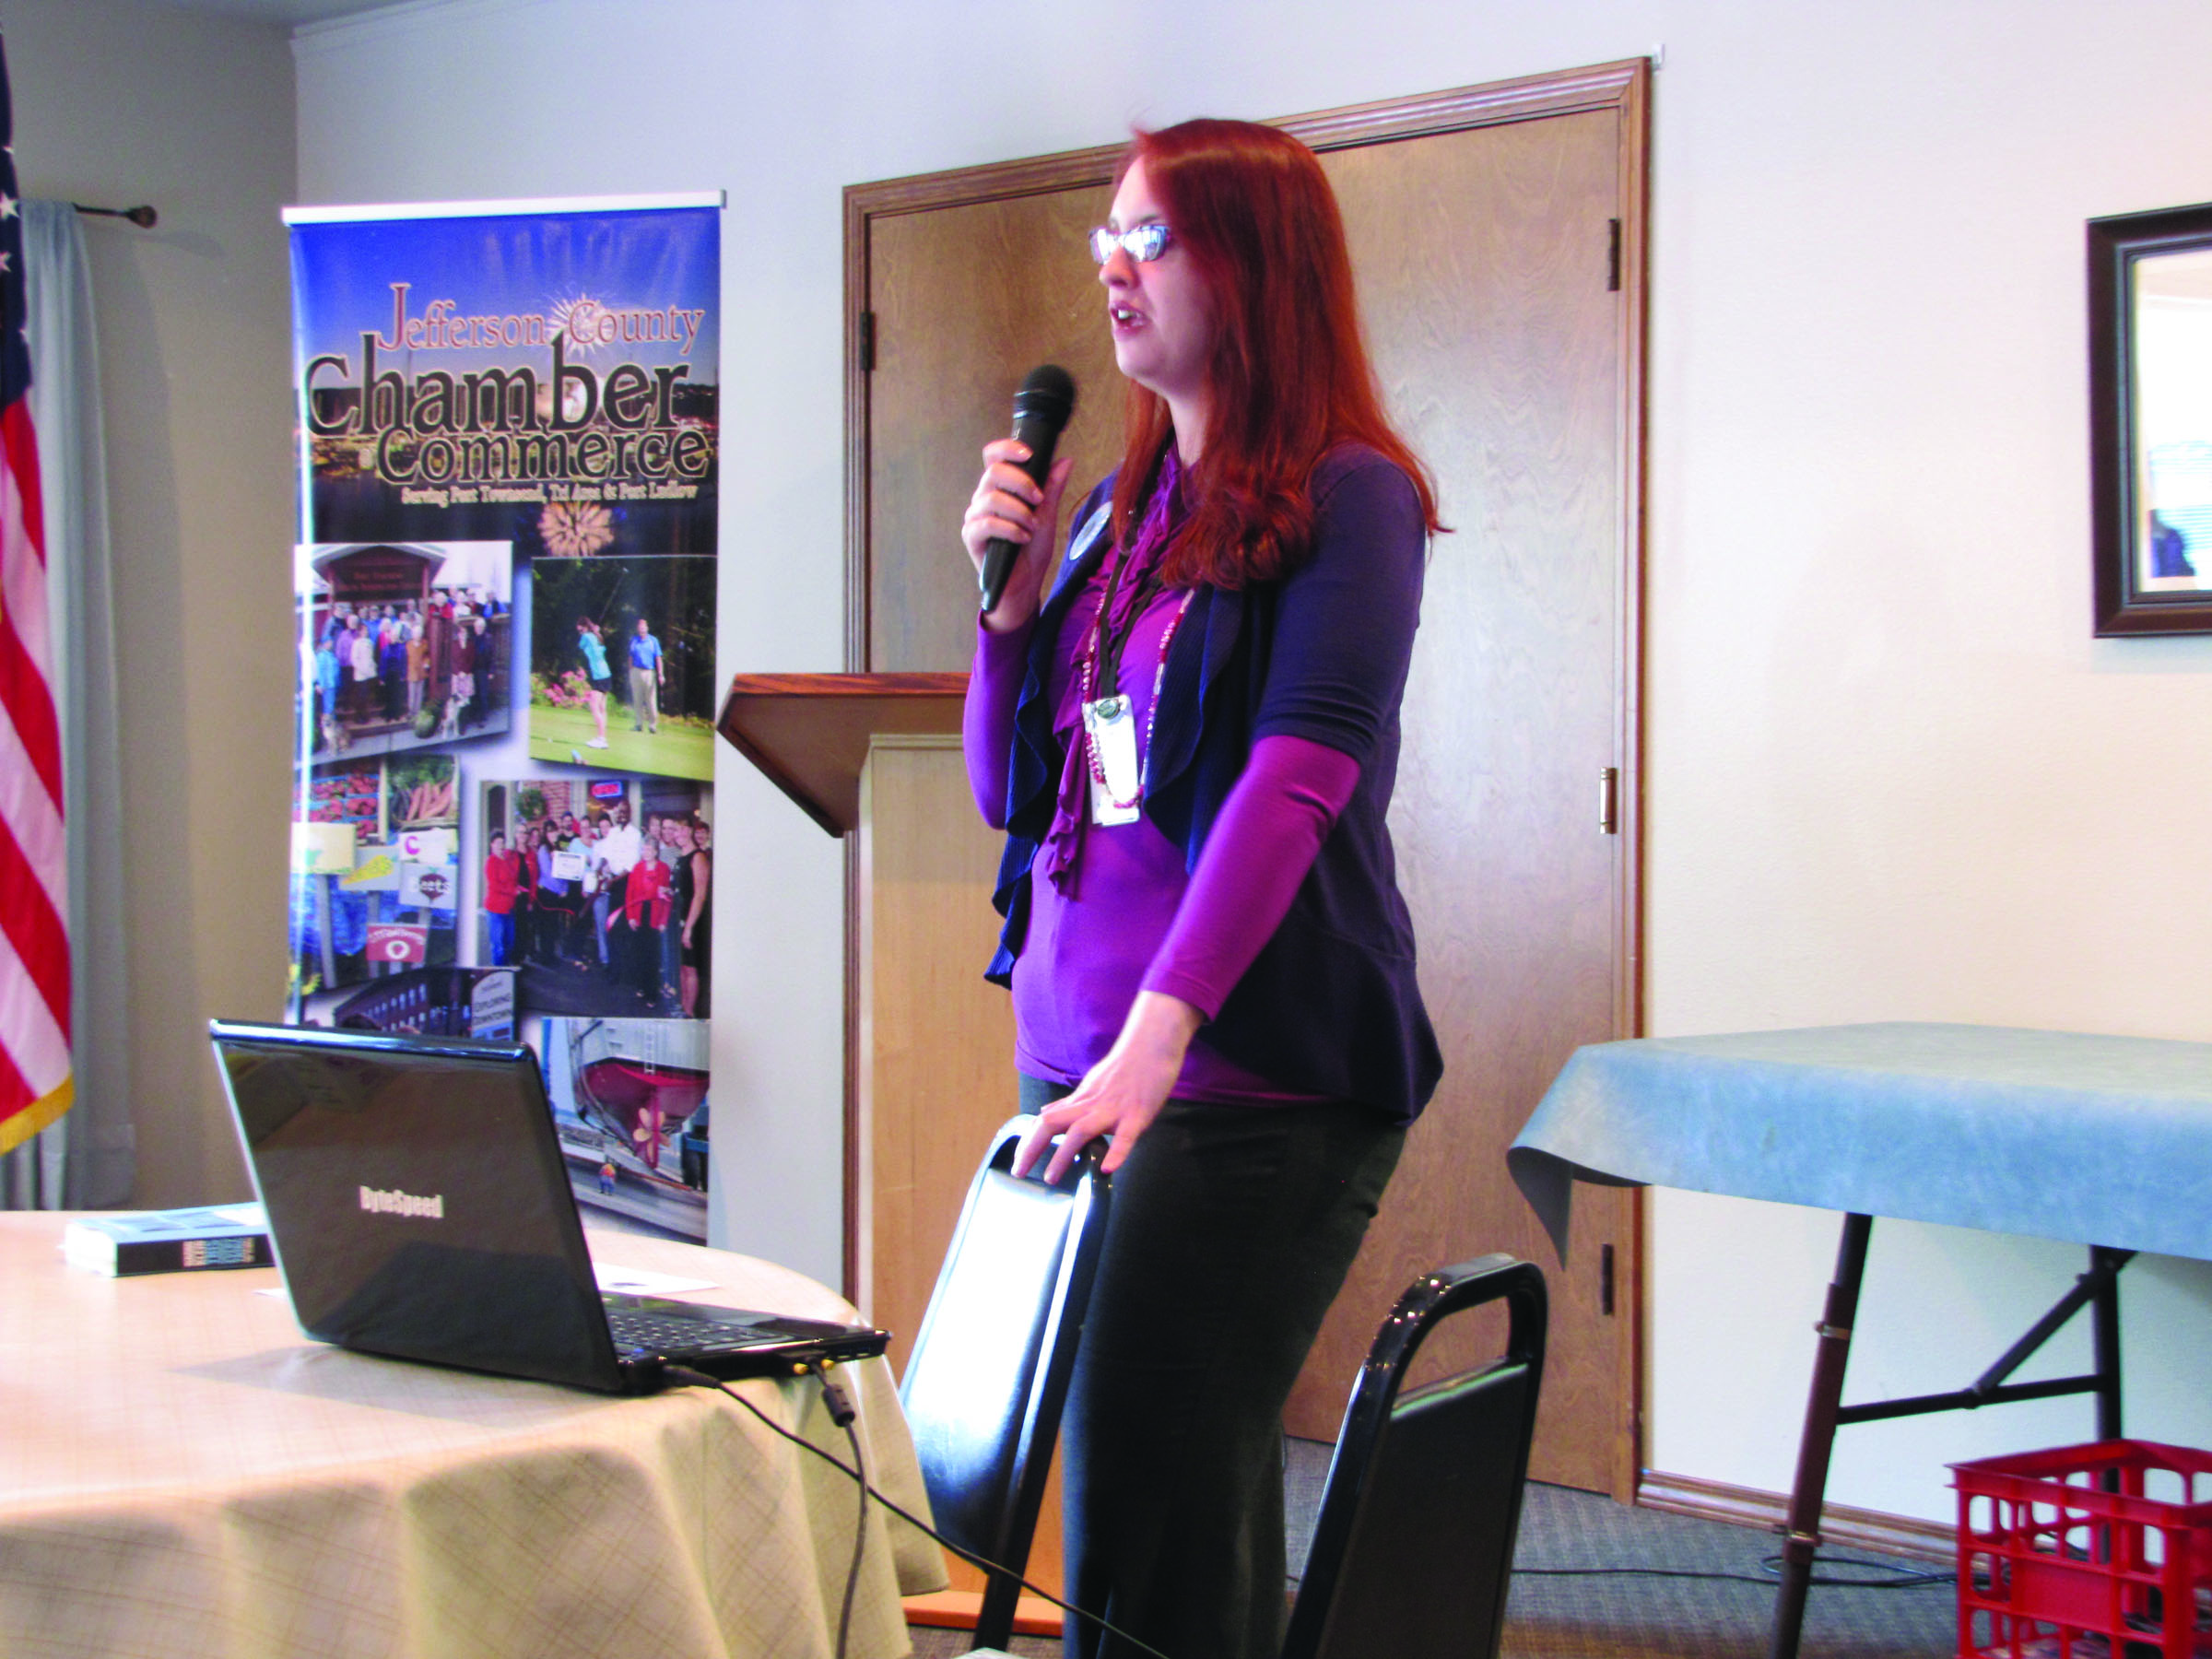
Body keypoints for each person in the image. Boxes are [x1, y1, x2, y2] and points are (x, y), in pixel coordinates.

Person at [958, 118, 1443, 1659]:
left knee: (1146, 1489)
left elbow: (1299, 775)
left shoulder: (1351, 493)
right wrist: (1009, 618)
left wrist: (1158, 1039)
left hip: (1246, 1077)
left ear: (1257, 264)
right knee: (1148, 1488)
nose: (1113, 263)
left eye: (1151, 237)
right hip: (1081, 1059)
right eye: (1108, 235)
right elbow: (1005, 793)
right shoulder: (1116, 507)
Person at [678, 814, 712, 1018]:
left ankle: (690, 1012)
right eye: (676, 830)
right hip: (681, 919)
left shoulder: (698, 857)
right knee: (683, 967)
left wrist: (689, 928)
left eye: (683, 829)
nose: (679, 834)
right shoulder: (681, 857)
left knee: (691, 969)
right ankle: (683, 1007)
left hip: (693, 921)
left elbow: (700, 895)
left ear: (690, 831)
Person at [481, 830, 522, 966]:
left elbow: (512, 880)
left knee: (510, 942)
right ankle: (497, 975)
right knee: (498, 947)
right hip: (496, 910)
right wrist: (512, 891)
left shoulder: (507, 860)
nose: (501, 845)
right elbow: (494, 885)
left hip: (509, 909)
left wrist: (519, 888)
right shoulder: (491, 862)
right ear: (492, 844)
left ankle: (506, 972)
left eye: (502, 842)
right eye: (498, 843)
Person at [576, 617, 613, 747]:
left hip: (599, 675)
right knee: (602, 708)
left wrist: (588, 633)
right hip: (606, 674)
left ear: (584, 627)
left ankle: (601, 739)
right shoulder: (598, 637)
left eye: (580, 629)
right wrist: (595, 631)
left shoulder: (587, 636)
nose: (579, 631)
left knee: (594, 707)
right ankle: (603, 738)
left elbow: (580, 646)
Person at [626, 616, 664, 734]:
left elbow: (658, 658)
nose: (642, 629)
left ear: (647, 628)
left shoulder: (653, 641)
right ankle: (638, 724)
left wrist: (660, 674)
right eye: (640, 627)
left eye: (644, 627)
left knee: (651, 700)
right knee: (637, 700)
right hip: (636, 671)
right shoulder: (634, 640)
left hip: (649, 672)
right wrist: (631, 671)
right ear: (638, 629)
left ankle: (652, 725)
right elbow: (630, 657)